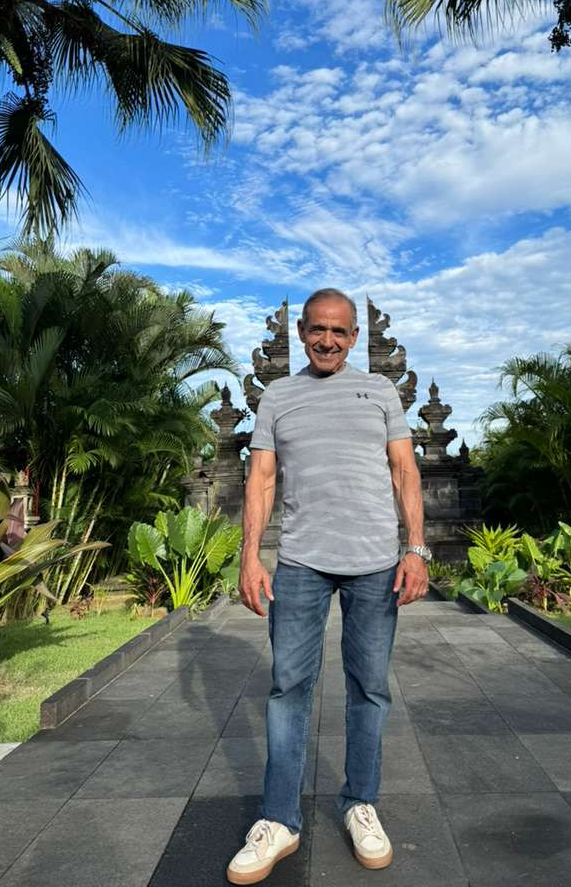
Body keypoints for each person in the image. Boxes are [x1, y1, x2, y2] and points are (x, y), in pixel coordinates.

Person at [226, 288, 430, 885]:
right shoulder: (278, 396)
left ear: (355, 337)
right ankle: (279, 819)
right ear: (301, 333)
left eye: (339, 332)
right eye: (318, 329)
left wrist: (416, 548)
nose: (328, 340)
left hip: (374, 563)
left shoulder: (381, 392)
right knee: (288, 687)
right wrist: (250, 557)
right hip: (301, 562)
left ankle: (359, 802)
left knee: (370, 688)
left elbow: (404, 470)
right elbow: (262, 479)